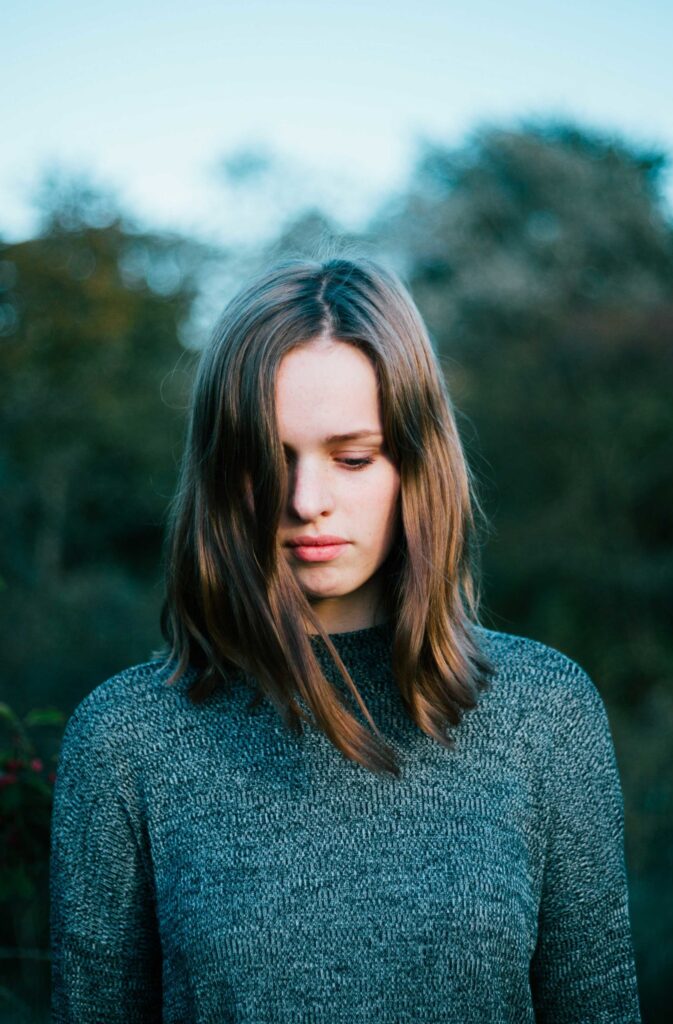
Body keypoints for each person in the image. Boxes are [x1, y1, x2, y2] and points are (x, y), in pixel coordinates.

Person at [50, 252, 642, 1022]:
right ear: (223, 475)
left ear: (415, 464)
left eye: (352, 457)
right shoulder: (126, 739)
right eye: (267, 461)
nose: (305, 500)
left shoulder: (544, 713)